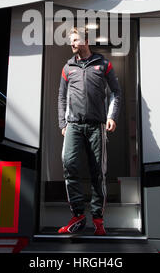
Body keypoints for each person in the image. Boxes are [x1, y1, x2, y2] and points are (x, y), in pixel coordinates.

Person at [58, 27, 121, 236]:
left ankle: (98, 219)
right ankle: (77, 215)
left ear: (86, 40)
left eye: (75, 40)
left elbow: (116, 92)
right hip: (73, 125)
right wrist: (63, 124)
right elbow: (61, 97)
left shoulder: (103, 64)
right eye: (71, 41)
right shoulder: (68, 67)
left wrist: (112, 117)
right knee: (69, 164)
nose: (72, 44)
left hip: (97, 126)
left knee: (98, 173)